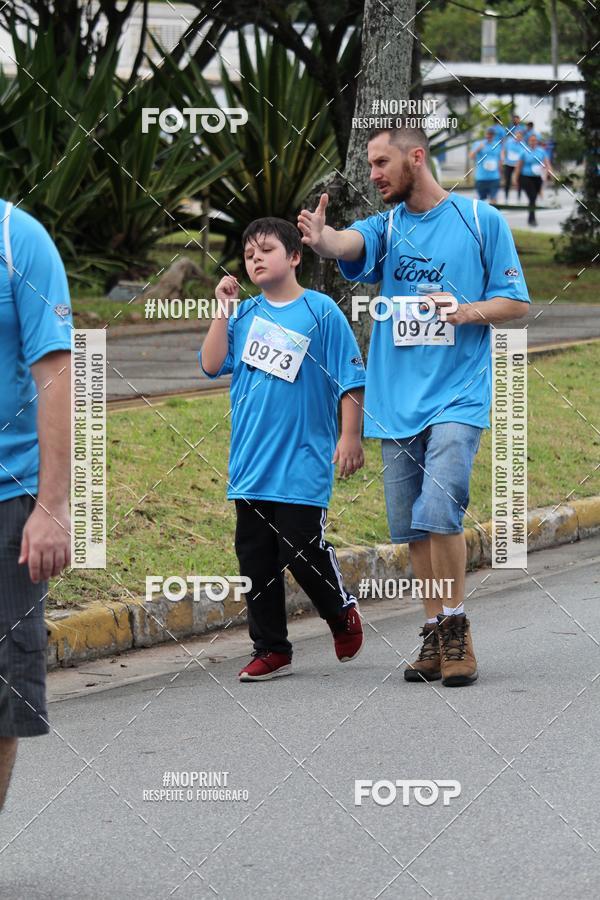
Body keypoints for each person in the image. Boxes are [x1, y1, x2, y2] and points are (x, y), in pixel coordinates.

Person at [298, 122, 530, 687]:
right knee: (411, 528)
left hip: (458, 396)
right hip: (396, 402)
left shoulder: (480, 221)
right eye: (372, 165)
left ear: (416, 158)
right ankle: (433, 631)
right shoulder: (387, 226)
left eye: (381, 163)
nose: (373, 174)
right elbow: (352, 244)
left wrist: (466, 311)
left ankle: (456, 628)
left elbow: (516, 303)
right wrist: (326, 241)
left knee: (438, 511)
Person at [200, 218, 366, 682]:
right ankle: (271, 649)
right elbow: (213, 364)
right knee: (255, 558)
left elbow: (352, 380)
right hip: (251, 462)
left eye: (266, 250)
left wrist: (349, 437)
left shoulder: (321, 312)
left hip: (303, 457)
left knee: (300, 547)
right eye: (249, 253)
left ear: (295, 257)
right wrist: (223, 310)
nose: (255, 258)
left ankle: (339, 613)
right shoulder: (246, 315)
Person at [0, 200, 72, 810]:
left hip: (8, 497)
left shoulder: (16, 239)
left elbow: (54, 372)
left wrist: (52, 506)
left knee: (3, 691)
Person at [516, 133, 554, 226]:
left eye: (535, 140)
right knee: (532, 197)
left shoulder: (541, 151)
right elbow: (519, 166)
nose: (533, 142)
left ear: (537, 142)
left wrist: (550, 172)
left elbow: (547, 163)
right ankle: (532, 219)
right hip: (526, 177)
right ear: (528, 141)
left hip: (537, 177)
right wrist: (516, 178)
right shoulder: (524, 152)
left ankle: (531, 218)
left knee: (533, 198)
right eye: (531, 140)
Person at [470, 128, 503, 204]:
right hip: (481, 178)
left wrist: (501, 173)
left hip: (494, 177)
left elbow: (499, 160)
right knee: (482, 200)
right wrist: (478, 149)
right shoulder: (478, 144)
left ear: (494, 135)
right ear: (485, 134)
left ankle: (493, 215)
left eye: (491, 134)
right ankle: (483, 215)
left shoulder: (497, 145)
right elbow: (471, 156)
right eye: (488, 134)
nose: (489, 136)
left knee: (493, 199)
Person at [501, 130, 525, 202]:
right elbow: (503, 151)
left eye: (520, 137)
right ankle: (506, 197)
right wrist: (503, 159)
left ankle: (519, 198)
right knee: (507, 181)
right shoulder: (509, 142)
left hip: (517, 165)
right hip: (508, 164)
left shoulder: (523, 144)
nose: (518, 138)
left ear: (522, 137)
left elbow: (524, 156)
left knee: (519, 181)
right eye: (517, 136)